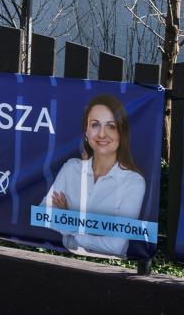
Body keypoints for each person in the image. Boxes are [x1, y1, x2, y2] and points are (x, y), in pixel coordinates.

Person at [42, 94, 148, 258]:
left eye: (111, 126)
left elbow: (116, 246)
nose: (102, 134)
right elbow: (43, 214)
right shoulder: (71, 168)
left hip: (110, 266)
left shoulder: (134, 182)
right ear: (86, 130)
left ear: (122, 133)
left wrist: (70, 218)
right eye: (95, 125)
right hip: (64, 257)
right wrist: (91, 228)